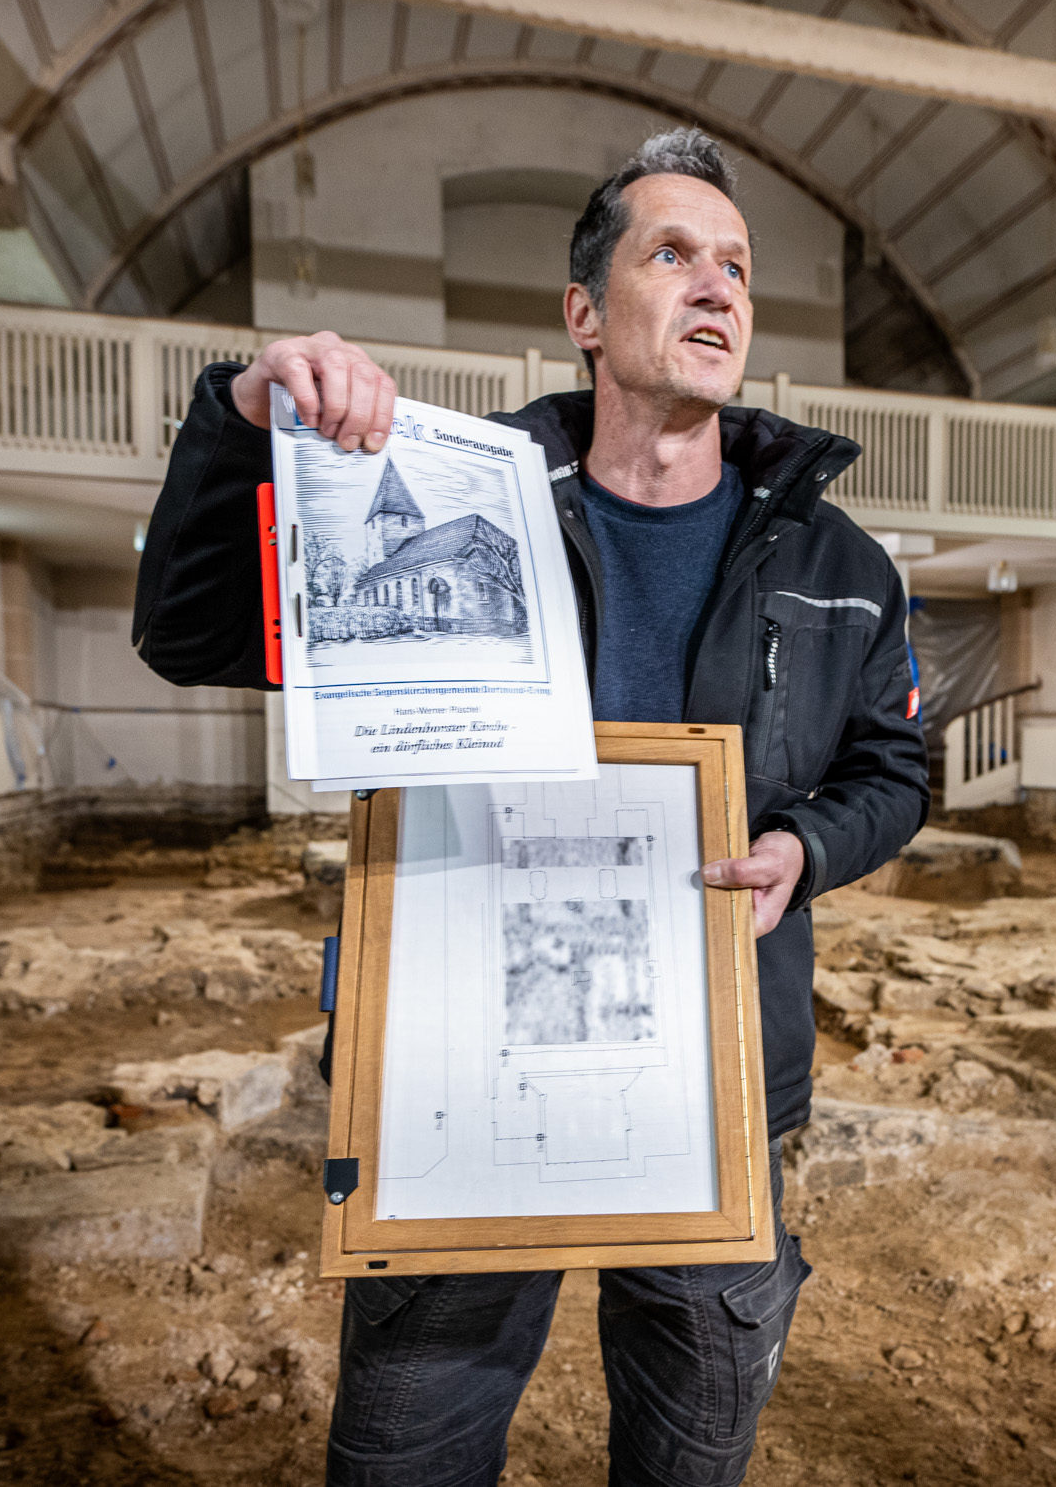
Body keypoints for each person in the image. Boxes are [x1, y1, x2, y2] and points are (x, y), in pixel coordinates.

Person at [131, 127, 928, 1486]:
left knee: (688, 1462)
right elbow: (192, 630)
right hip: (457, 1068)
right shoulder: (441, 495)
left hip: (719, 1075)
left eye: (736, 264)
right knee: (410, 1460)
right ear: (583, 315)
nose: (718, 287)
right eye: (672, 253)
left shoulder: (839, 559)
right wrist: (247, 419)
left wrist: (805, 845)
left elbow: (896, 771)